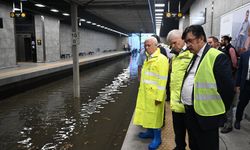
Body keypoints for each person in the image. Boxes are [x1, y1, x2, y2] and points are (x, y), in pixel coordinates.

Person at [181, 25, 234, 150]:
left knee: (207, 146)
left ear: (200, 38)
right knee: (194, 144)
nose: (187, 45)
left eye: (190, 41)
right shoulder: (195, 56)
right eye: (186, 42)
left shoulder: (216, 56)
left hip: (207, 117)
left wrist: (220, 113)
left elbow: (227, 89)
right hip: (191, 113)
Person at [133, 37, 169, 150]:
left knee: (155, 117)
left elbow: (163, 80)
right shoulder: (148, 58)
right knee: (147, 114)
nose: (146, 48)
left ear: (156, 45)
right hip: (145, 93)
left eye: (148, 45)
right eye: (145, 46)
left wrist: (159, 96)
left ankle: (157, 138)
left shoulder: (161, 59)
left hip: (154, 95)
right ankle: (149, 132)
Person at [166, 29, 193, 150]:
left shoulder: (192, 56)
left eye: (174, 42)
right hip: (176, 104)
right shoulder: (174, 58)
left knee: (193, 134)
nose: (172, 46)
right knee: (178, 131)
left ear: (183, 39)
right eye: (171, 44)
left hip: (189, 105)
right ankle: (179, 147)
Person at [220, 35, 238, 133]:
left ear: (226, 40)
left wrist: (229, 73)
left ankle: (229, 124)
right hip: (225, 78)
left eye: (222, 40)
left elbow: (234, 63)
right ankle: (224, 122)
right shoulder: (224, 49)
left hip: (230, 78)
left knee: (229, 103)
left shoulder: (230, 49)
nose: (221, 41)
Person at [235, 50, 250, 129]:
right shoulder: (244, 55)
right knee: (241, 104)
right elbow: (239, 70)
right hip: (246, 84)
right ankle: (238, 120)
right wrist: (237, 84)